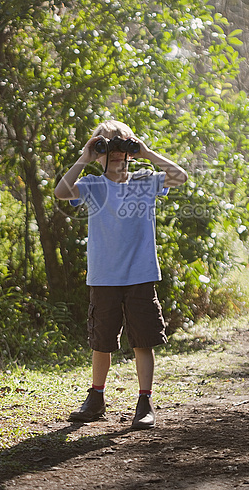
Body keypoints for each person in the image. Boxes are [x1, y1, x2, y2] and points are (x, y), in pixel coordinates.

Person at [54, 119, 187, 429]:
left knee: (143, 341)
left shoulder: (145, 180)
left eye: (121, 147)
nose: (115, 154)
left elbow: (180, 177)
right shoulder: (92, 185)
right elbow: (61, 192)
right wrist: (84, 157)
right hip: (104, 277)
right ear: (98, 154)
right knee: (101, 342)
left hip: (140, 274)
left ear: (130, 151)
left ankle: (144, 401)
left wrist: (148, 153)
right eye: (106, 148)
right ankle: (96, 398)